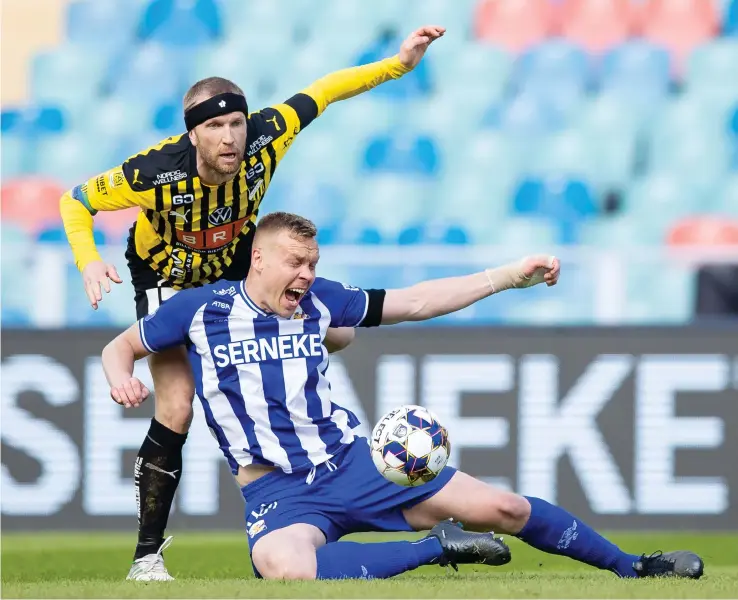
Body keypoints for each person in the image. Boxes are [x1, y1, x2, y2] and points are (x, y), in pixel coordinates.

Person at [101, 212, 705, 581]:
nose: (307, 274)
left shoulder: (320, 302)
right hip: (276, 490)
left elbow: (415, 302)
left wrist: (506, 276)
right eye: (295, 262)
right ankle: (434, 549)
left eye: (313, 262)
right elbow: (119, 347)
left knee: (505, 509)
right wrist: (121, 375)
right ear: (257, 259)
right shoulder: (200, 310)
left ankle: (635, 567)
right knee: (284, 566)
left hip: (355, 463)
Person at [59, 25, 446, 580]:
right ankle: (147, 557)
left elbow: (328, 89)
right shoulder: (154, 172)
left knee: (342, 333)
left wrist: (400, 65)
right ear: (192, 134)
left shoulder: (269, 134)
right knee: (176, 406)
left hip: (237, 267)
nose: (230, 137)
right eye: (214, 126)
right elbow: (76, 202)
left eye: (236, 123)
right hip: (167, 278)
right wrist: (88, 261)